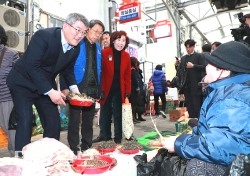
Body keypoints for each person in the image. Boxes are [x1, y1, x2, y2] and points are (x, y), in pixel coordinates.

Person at [162, 41, 250, 176]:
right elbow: (220, 131)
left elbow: (221, 146)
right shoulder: (230, 91)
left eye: (210, 64)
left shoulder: (232, 100)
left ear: (224, 70)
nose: (206, 67)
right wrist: (195, 133)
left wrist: (178, 143)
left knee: (197, 167)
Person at [6, 13, 89, 152]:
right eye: (77, 29)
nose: (80, 35)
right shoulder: (44, 36)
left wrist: (76, 92)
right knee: (25, 121)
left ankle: (50, 155)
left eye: (84, 32)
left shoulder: (76, 47)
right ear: (65, 26)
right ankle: (21, 160)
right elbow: (32, 66)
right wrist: (51, 92)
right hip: (22, 83)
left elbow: (68, 70)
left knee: (53, 121)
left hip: (44, 84)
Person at [60, 19, 104, 154]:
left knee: (88, 121)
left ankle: (86, 146)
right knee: (74, 120)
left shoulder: (97, 47)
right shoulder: (77, 43)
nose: (98, 35)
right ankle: (74, 148)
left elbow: (99, 69)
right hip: (77, 87)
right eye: (96, 31)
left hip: (91, 89)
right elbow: (65, 66)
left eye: (100, 33)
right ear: (88, 29)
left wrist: (99, 90)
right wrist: (65, 86)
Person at [99, 30, 131, 144]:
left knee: (119, 114)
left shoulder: (126, 56)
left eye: (123, 41)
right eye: (118, 40)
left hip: (119, 90)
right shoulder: (104, 53)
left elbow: (127, 75)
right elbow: (100, 73)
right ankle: (106, 138)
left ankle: (118, 139)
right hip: (106, 89)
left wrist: (127, 91)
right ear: (113, 40)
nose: (120, 43)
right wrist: (100, 89)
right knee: (105, 115)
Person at [0, 25, 20, 156]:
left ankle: (16, 157)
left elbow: (21, 75)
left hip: (6, 98)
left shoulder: (11, 54)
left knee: (10, 129)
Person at [178, 39, 206, 119]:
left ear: (193, 46)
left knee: (197, 105)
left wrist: (193, 66)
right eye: (186, 47)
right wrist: (178, 66)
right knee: (189, 106)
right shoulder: (183, 58)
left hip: (196, 85)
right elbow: (181, 72)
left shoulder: (199, 56)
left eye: (189, 47)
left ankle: (199, 122)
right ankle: (191, 123)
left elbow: (204, 67)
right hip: (187, 86)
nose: (188, 49)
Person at [92, 31, 111, 143]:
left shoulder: (115, 52)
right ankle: (103, 135)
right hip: (102, 88)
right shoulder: (99, 52)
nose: (105, 40)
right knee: (103, 113)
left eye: (107, 38)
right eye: (103, 38)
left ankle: (126, 135)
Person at [130, 57, 146, 123]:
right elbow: (135, 80)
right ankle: (134, 118)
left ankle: (138, 116)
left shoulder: (136, 70)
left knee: (139, 103)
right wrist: (137, 88)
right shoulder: (132, 70)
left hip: (138, 89)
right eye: (136, 63)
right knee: (134, 104)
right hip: (134, 89)